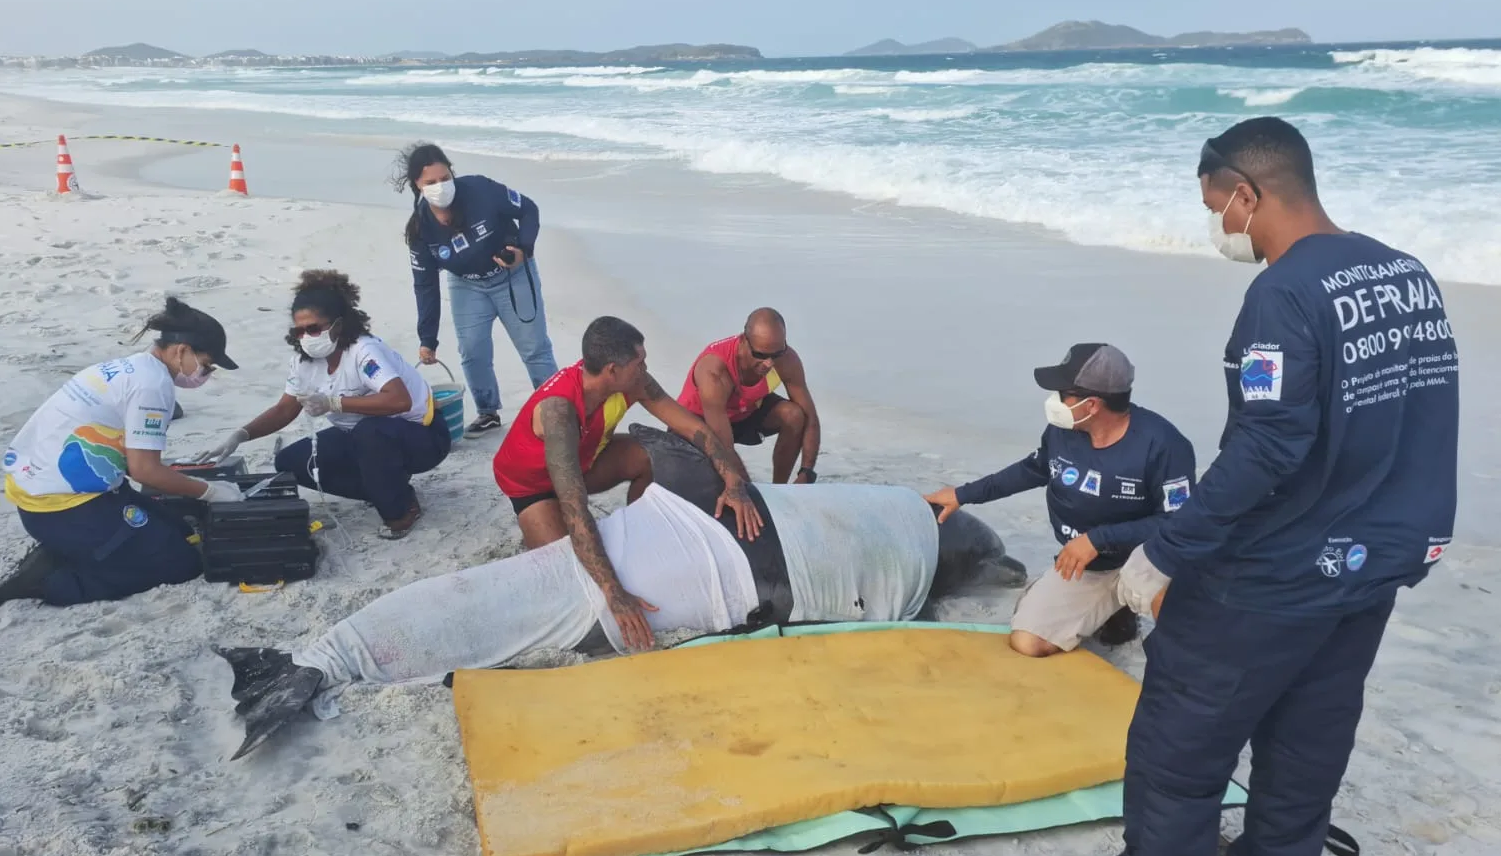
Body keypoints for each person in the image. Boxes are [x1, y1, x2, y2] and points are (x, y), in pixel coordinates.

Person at [1040, 118, 1460, 856]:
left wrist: (1165, 549)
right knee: (1308, 736)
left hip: (1270, 575)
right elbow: (1423, 413)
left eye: (1214, 208)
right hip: (1368, 564)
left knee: (1178, 747)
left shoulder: (1283, 294)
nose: (1217, 227)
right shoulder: (1406, 274)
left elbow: (1267, 446)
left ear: (1246, 193)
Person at [214, 423, 1023, 760]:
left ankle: (323, 658)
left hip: (700, 532)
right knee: (542, 608)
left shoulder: (889, 507)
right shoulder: (907, 576)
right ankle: (320, 663)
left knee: (525, 591)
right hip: (728, 572)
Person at [492, 315, 764, 651]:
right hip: (535, 484)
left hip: (588, 457)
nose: (645, 368)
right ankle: (540, 534)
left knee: (657, 453)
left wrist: (734, 479)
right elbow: (575, 507)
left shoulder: (632, 381)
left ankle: (639, 532)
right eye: (639, 362)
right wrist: (614, 591)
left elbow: (692, 427)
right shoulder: (559, 413)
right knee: (568, 578)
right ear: (611, 371)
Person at [926, 343, 1196, 657]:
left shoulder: (1165, 445)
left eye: (1063, 394)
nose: (1055, 401)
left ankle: (1179, 663)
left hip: (1146, 557)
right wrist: (962, 495)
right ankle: (1109, 609)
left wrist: (1099, 539)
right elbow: (1032, 470)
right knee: (1028, 642)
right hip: (1086, 566)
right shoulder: (1062, 432)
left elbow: (1180, 522)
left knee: (1173, 617)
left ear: (1092, 404)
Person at [0, 297, 243, 611]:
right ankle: (48, 581)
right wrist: (211, 492)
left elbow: (131, 460)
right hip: (64, 507)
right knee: (181, 564)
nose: (205, 373)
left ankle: (74, 549)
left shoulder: (129, 368)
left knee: (179, 530)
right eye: (207, 364)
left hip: (47, 489)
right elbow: (144, 470)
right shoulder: (152, 386)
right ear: (181, 350)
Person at [197, 270, 450, 540]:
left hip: (421, 434)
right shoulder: (303, 362)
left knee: (370, 433)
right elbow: (285, 409)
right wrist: (241, 435)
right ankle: (390, 489)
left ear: (338, 325)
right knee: (291, 462)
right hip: (360, 436)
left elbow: (399, 399)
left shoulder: (363, 351)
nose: (306, 336)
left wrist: (334, 403)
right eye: (299, 330)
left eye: (314, 329)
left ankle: (400, 511)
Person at [397, 142, 557, 438]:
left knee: (535, 349)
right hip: (467, 283)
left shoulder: (482, 190)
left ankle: (556, 411)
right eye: (430, 182)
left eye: (445, 178)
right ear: (417, 186)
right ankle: (488, 412)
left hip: (513, 276)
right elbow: (425, 284)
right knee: (472, 351)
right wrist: (427, 339)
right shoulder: (420, 229)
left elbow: (529, 209)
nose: (440, 186)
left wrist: (523, 248)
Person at [677, 307, 822, 484]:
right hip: (703, 422)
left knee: (794, 415)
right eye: (760, 355)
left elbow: (811, 418)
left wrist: (807, 472)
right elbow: (723, 444)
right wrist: (748, 490)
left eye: (776, 354)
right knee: (718, 482)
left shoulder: (787, 359)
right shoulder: (714, 369)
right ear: (744, 341)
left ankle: (780, 488)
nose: (768, 364)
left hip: (743, 413)